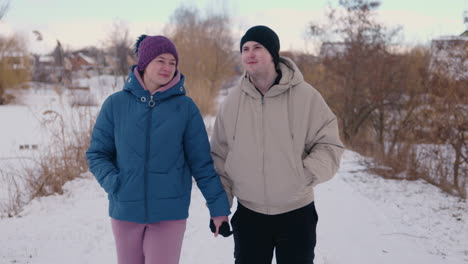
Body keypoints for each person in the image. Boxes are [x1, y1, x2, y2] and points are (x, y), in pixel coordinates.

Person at [86, 35, 230, 264]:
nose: (167, 67)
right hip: (125, 211)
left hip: (169, 214)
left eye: (172, 63)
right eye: (160, 60)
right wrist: (114, 183)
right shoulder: (115, 105)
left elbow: (201, 163)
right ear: (144, 63)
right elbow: (97, 153)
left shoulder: (186, 109)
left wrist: (218, 208)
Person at [210, 25, 344, 264]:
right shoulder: (232, 102)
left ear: (273, 53)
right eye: (245, 48)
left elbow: (329, 144)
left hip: (297, 214)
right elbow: (219, 157)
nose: (250, 53)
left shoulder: (306, 96)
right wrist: (221, 206)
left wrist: (302, 175)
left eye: (257, 47)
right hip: (250, 214)